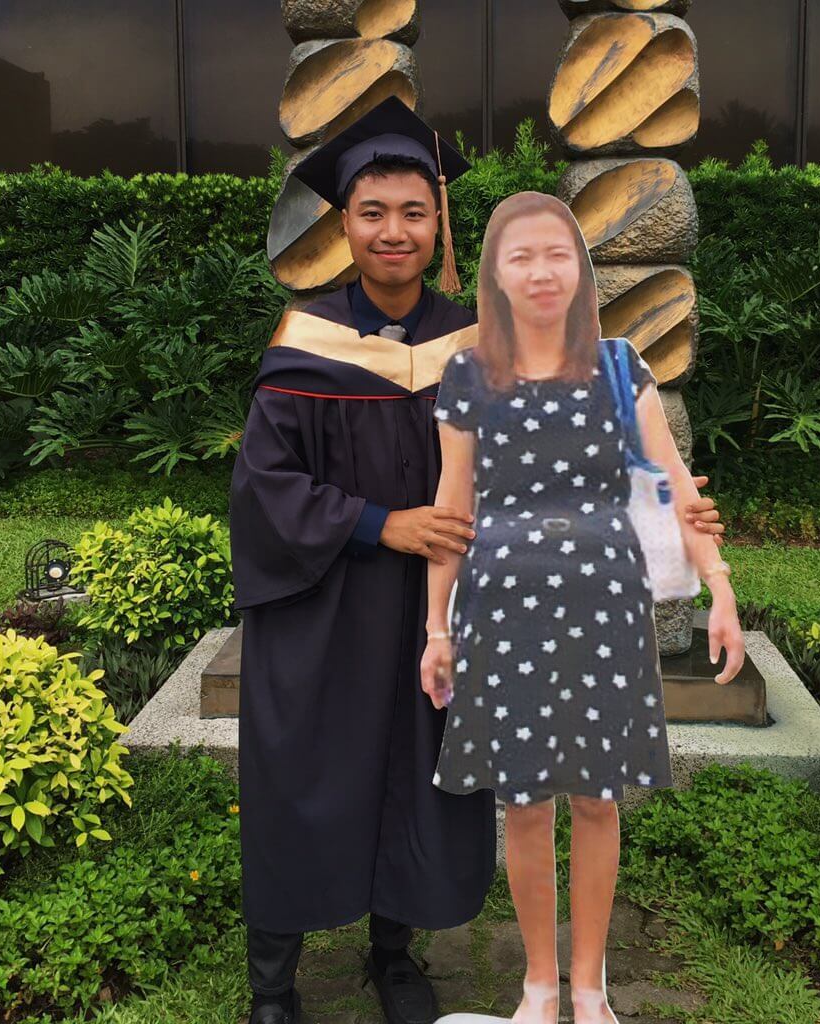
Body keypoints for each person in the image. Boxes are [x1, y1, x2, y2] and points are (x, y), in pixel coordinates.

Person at [230, 96, 728, 1024]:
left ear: (440, 227)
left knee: (414, 778)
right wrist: (383, 523)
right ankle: (274, 983)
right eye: (373, 213)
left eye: (414, 212)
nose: (394, 231)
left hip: (454, 608)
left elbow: (571, 459)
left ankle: (395, 955)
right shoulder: (305, 347)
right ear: (345, 225)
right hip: (325, 607)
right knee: (306, 774)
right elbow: (264, 489)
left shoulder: (476, 345)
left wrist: (680, 516)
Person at [420, 192, 745, 1024]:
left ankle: (590, 988)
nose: (539, 271)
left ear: (580, 268)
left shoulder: (618, 363)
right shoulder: (467, 375)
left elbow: (669, 486)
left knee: (597, 799)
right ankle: (537, 985)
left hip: (604, 610)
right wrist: (435, 628)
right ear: (494, 272)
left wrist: (721, 583)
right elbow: (450, 515)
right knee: (525, 803)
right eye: (519, 256)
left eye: (556, 254)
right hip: (502, 613)